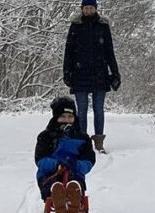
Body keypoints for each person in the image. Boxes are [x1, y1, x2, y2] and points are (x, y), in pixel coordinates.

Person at [62, 0, 120, 153]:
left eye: (91, 7)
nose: (88, 10)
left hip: (100, 73)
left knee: (98, 109)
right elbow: (68, 51)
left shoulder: (103, 26)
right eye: (86, 8)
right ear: (82, 9)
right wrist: (66, 72)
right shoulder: (75, 26)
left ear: (95, 9)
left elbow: (109, 52)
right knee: (81, 110)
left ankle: (99, 142)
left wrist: (115, 73)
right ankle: (82, 142)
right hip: (79, 74)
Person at [35, 97, 96, 213]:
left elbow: (89, 160)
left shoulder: (83, 138)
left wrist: (78, 165)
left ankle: (74, 198)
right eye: (62, 117)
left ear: (75, 117)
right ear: (56, 117)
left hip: (74, 170)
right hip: (51, 172)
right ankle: (57, 196)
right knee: (53, 182)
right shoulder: (46, 136)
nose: (66, 120)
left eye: (70, 117)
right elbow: (40, 159)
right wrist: (54, 164)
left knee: (75, 182)